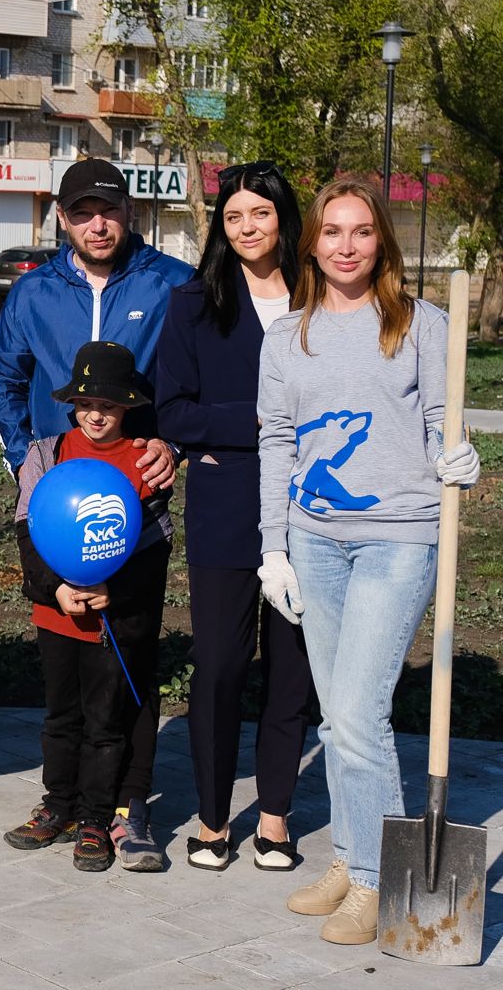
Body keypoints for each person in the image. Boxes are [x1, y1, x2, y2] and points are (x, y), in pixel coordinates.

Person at [257, 176, 479, 945]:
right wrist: (273, 545)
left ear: (380, 238)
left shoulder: (422, 324)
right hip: (314, 541)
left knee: (357, 714)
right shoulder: (288, 335)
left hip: (400, 535)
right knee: (338, 712)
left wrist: (457, 456)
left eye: (360, 231)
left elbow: (438, 423)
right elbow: (278, 441)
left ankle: (379, 880)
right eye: (331, 231)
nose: (346, 245)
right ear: (311, 241)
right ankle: (351, 858)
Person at [0, 157, 193, 871]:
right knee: (67, 676)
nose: (96, 223)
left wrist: (175, 442)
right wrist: (25, 461)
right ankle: (66, 800)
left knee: (127, 656)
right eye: (81, 212)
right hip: (55, 493)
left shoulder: (171, 282)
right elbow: (6, 375)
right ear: (63, 219)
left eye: (107, 209)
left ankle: (125, 804)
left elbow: (194, 377)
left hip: (134, 494)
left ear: (128, 212)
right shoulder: (36, 289)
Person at [155, 161, 311, 872]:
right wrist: (250, 421)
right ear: (221, 226)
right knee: (217, 663)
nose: (248, 227)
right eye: (234, 216)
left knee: (290, 664)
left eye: (261, 213)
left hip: (313, 503)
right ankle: (214, 817)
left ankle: (274, 814)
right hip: (226, 502)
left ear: (284, 218)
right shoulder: (195, 302)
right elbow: (173, 409)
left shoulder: (321, 296)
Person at [7, 341, 173, 872]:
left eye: (109, 404)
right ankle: (58, 805)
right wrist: (54, 588)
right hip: (55, 613)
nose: (96, 414)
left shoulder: (144, 464)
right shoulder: (46, 454)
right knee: (61, 717)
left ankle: (98, 817)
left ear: (127, 406)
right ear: (71, 404)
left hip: (111, 622)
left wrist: (115, 593)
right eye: (85, 404)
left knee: (105, 723)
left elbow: (153, 549)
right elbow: (27, 532)